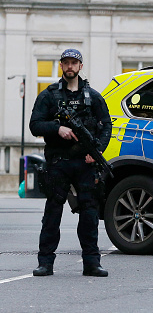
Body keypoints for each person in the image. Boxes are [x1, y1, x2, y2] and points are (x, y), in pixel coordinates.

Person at [29, 49, 112, 277]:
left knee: (89, 213)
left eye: (73, 63)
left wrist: (96, 153)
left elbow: (106, 126)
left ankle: (91, 263)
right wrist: (57, 128)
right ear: (61, 66)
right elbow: (35, 124)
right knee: (53, 212)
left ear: (80, 66)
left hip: (85, 164)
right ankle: (45, 262)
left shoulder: (93, 96)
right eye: (66, 62)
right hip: (59, 161)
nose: (69, 66)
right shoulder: (49, 95)